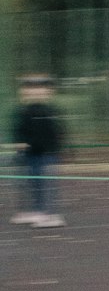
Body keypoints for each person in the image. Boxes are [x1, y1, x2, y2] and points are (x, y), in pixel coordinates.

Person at [9, 74, 67, 228]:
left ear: (49, 91)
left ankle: (51, 214)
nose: (35, 92)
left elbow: (58, 132)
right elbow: (20, 130)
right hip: (31, 154)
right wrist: (20, 145)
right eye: (30, 89)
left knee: (46, 184)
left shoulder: (50, 111)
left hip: (47, 154)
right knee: (33, 183)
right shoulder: (24, 110)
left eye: (40, 89)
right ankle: (37, 210)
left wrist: (58, 149)